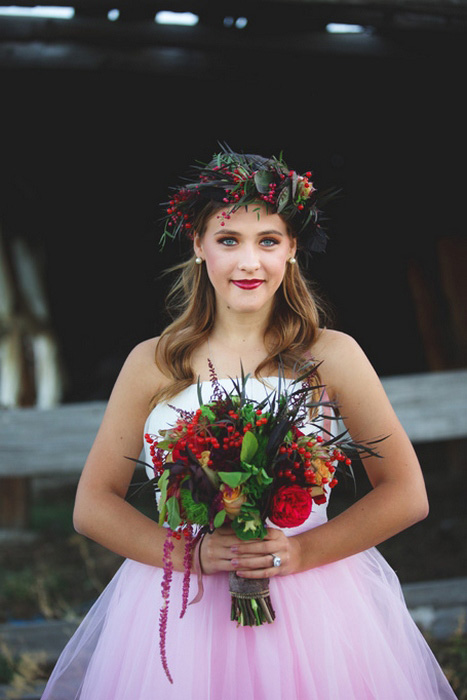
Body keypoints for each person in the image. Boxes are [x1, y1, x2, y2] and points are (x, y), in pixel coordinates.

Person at [41, 146, 457, 699]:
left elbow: (407, 494)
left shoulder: (330, 355)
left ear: (291, 251)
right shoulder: (154, 362)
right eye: (228, 240)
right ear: (198, 245)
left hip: (312, 600)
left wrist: (303, 551)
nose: (248, 263)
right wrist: (191, 554)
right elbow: (93, 505)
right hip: (185, 607)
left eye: (268, 241)